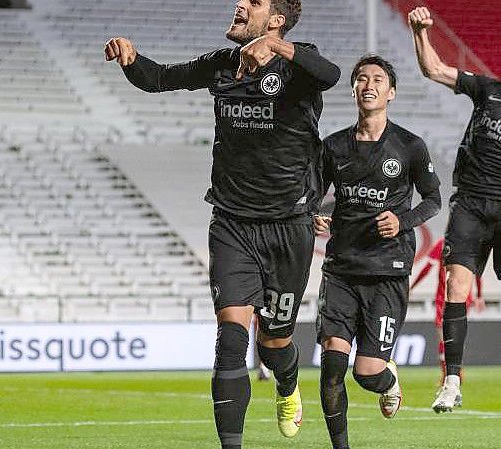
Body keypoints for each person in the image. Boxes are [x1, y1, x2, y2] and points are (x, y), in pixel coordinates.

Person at [104, 1, 341, 446]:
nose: (239, 4)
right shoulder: (222, 64)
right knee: (231, 338)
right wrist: (131, 59)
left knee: (275, 345)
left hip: (289, 227)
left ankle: (288, 386)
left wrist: (276, 47)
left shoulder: (299, 63)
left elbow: (330, 75)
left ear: (275, 21)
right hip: (232, 223)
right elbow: (160, 79)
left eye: (252, 2)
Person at [409, 6, 501, 413]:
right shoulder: (487, 89)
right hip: (470, 205)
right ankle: (452, 382)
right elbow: (435, 70)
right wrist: (420, 32)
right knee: (455, 287)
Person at [313, 54, 442, 449]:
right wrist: (315, 216)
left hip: (387, 271)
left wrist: (403, 222)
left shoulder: (409, 146)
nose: (369, 85)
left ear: (391, 93)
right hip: (340, 270)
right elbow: (311, 197)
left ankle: (387, 379)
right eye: (362, 79)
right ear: (353, 90)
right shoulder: (333, 147)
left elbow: (433, 199)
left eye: (378, 79)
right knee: (332, 367)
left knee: (366, 374)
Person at [410, 237, 484, 390]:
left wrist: (412, 287)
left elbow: (427, 269)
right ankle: (452, 373)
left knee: (444, 338)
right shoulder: (466, 242)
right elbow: (476, 272)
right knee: (452, 336)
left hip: (447, 297)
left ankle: (449, 374)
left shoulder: (444, 243)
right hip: (461, 297)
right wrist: (479, 295)